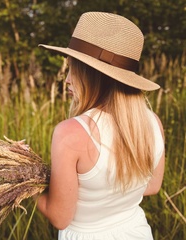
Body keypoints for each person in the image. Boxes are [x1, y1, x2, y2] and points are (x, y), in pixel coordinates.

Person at [35, 12, 165, 240]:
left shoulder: (70, 134)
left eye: (72, 69)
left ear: (91, 74)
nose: (67, 79)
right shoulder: (153, 123)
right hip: (137, 231)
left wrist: (26, 183)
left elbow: (60, 217)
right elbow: (153, 186)